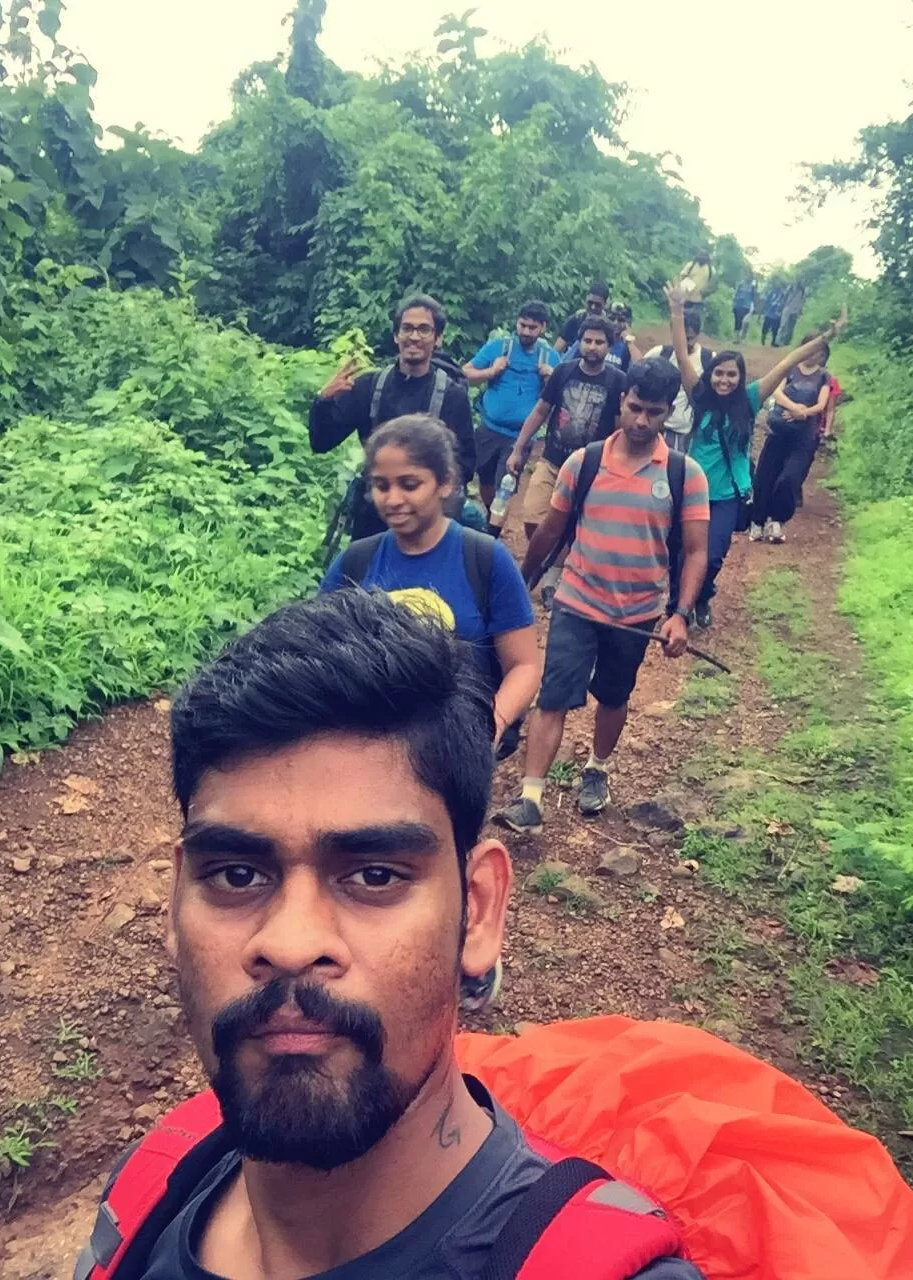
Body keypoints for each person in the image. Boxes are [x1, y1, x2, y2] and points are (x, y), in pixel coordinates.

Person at [76, 589, 705, 1279]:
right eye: (234, 875)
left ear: (479, 911)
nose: (289, 943)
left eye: (374, 876)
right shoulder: (148, 1193)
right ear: (173, 905)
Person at [493, 360, 710, 832]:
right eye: (634, 407)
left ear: (668, 411)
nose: (641, 420)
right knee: (553, 696)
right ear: (622, 399)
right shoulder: (584, 461)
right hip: (577, 600)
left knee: (614, 695)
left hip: (637, 613)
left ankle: (598, 768)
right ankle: (530, 798)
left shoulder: (683, 473)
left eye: (653, 412)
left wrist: (681, 615)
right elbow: (551, 530)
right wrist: (519, 584)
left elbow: (695, 551)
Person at [321, 413, 541, 783]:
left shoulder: (484, 560)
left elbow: (524, 666)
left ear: (446, 484)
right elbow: (319, 654)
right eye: (380, 485)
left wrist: (490, 725)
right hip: (370, 753)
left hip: (454, 755)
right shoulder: (356, 561)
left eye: (409, 484)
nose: (393, 499)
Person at [665, 283, 846, 627]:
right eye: (719, 372)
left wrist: (826, 337)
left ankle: (701, 597)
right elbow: (682, 352)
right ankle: (679, 605)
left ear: (740, 377)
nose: (724, 379)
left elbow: (789, 360)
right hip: (691, 491)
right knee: (678, 552)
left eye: (731, 374)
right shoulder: (698, 394)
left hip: (727, 494)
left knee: (714, 555)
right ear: (711, 374)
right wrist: (676, 310)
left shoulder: (750, 399)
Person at [309, 294, 476, 539]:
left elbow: (465, 465)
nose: (415, 337)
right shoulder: (368, 386)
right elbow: (321, 443)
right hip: (372, 519)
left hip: (426, 524)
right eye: (407, 328)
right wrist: (323, 401)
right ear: (396, 335)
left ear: (437, 338)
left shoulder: (452, 396)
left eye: (424, 329)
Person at [506, 317, 627, 549]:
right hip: (552, 461)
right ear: (579, 342)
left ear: (609, 346)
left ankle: (557, 567)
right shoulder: (563, 371)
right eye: (587, 340)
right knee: (532, 515)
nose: (592, 346)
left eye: (599, 342)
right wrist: (518, 449)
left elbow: (618, 428)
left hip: (592, 468)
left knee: (579, 523)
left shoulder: (618, 380)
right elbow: (540, 411)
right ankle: (548, 554)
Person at [463, 301, 560, 530]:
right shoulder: (499, 347)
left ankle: (491, 537)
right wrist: (491, 371)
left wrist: (551, 377)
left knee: (504, 488)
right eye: (523, 325)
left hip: (520, 437)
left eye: (532, 327)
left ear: (543, 328)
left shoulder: (550, 357)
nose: (526, 331)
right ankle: (491, 517)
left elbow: (563, 393)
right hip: (488, 428)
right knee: (485, 482)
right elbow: (465, 373)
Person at [750, 335, 832, 543]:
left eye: (818, 352)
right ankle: (757, 521)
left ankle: (777, 520)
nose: (813, 355)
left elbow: (822, 404)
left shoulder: (824, 376)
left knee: (790, 478)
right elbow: (776, 391)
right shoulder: (790, 369)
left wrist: (804, 413)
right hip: (780, 430)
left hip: (805, 435)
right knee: (764, 476)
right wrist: (794, 408)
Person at [644, 316, 716, 453]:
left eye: (689, 339)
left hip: (688, 434)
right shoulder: (659, 353)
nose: (684, 343)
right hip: (657, 429)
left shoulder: (708, 359)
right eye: (681, 338)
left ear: (698, 334)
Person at [554, 280, 609, 353]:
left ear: (605, 304)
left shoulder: (609, 326)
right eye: (590, 303)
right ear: (586, 299)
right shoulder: (575, 321)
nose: (593, 307)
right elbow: (555, 351)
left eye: (597, 305)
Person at [777, 278, 806, 346]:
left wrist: (800, 310)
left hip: (795, 310)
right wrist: (781, 307)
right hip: (787, 308)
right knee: (783, 325)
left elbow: (802, 301)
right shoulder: (790, 288)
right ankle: (779, 340)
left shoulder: (802, 290)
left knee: (791, 327)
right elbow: (784, 297)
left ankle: (787, 341)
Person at [760, 280, 786, 347]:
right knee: (766, 327)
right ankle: (763, 336)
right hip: (769, 312)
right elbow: (766, 301)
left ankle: (773, 341)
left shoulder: (783, 294)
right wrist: (763, 310)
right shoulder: (771, 292)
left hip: (777, 314)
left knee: (775, 329)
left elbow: (783, 303)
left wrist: (781, 310)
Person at [732, 277, 757, 342]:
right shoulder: (740, 284)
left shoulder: (752, 286)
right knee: (738, 321)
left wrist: (754, 306)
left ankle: (742, 336)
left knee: (745, 321)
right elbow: (736, 294)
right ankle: (736, 337)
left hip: (747, 306)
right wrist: (734, 304)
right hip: (738, 305)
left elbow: (754, 296)